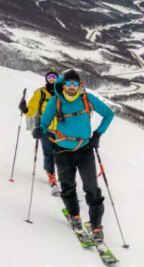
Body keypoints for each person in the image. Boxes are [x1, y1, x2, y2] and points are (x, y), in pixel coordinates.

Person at [32, 69, 115, 242]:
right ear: (64, 85)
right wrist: (40, 129)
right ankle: (74, 216)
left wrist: (98, 134)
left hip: (84, 150)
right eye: (68, 83)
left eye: (75, 84)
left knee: (92, 188)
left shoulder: (87, 99)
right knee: (68, 186)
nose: (71, 87)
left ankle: (96, 226)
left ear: (79, 85)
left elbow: (109, 114)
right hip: (62, 150)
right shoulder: (56, 100)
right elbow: (45, 121)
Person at [20, 66, 61, 197]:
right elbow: (32, 108)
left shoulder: (62, 93)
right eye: (49, 77)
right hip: (46, 128)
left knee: (62, 154)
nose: (52, 79)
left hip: (61, 129)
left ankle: (63, 177)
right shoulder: (41, 93)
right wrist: (25, 109)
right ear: (46, 78)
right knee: (49, 153)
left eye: (54, 77)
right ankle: (52, 177)